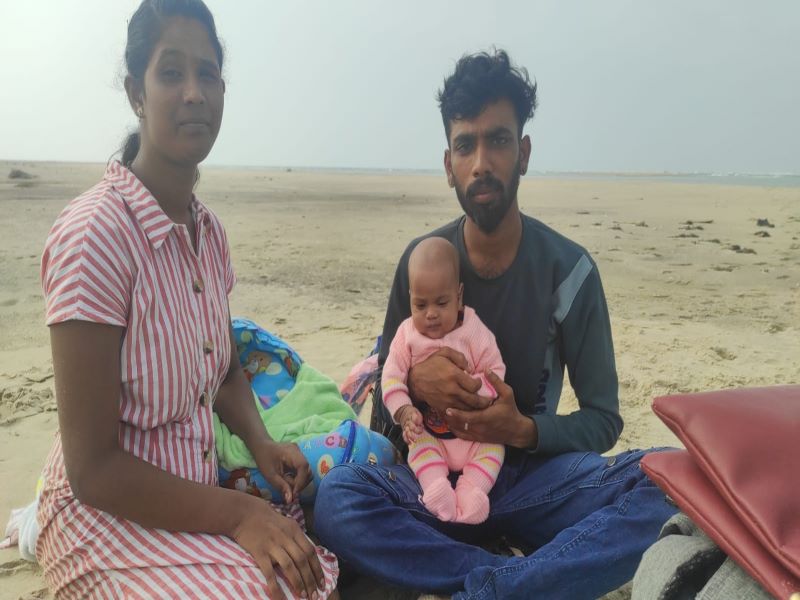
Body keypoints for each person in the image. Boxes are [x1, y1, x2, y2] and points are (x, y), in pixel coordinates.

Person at [314, 49, 676, 598]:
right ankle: (511, 577)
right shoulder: (422, 264)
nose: (481, 162)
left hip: (531, 481)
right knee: (339, 496)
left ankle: (488, 582)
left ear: (523, 153)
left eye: (498, 140)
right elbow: (387, 419)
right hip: (431, 482)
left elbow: (603, 421)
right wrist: (415, 386)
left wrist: (522, 430)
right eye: (466, 145)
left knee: (668, 479)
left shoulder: (570, 271)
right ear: (448, 164)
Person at [36, 1, 337, 598]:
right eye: (171, 72)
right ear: (136, 93)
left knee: (308, 575)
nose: (194, 93)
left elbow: (223, 371)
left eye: (208, 74)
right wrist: (239, 514)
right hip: (105, 516)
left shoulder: (208, 233)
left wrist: (261, 444)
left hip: (192, 500)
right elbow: (92, 469)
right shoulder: (95, 235)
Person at [382, 237, 505, 525]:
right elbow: (390, 377)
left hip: (474, 435)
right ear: (410, 298)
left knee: (495, 447)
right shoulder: (407, 335)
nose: (431, 314)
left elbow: (496, 369)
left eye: (441, 302)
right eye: (420, 304)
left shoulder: (474, 331)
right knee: (418, 446)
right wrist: (404, 411)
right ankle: (436, 489)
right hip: (431, 434)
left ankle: (472, 490)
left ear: (459, 296)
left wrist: (476, 390)